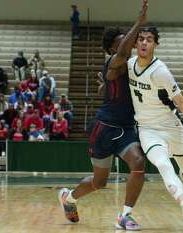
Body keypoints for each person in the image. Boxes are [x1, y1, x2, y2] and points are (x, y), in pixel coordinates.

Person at [110, 4, 183, 229]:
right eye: (141, 38)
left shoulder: (161, 71)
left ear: (155, 44)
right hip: (147, 130)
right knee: (163, 164)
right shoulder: (129, 65)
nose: (144, 42)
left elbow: (182, 103)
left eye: (149, 39)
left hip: (172, 128)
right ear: (136, 43)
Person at [58, 2, 147, 230]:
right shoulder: (113, 61)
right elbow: (123, 53)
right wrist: (138, 23)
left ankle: (125, 215)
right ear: (111, 50)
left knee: (138, 163)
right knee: (100, 182)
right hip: (104, 129)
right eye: (121, 42)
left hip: (126, 130)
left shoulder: (134, 67)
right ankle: (69, 198)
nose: (129, 43)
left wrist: (105, 87)